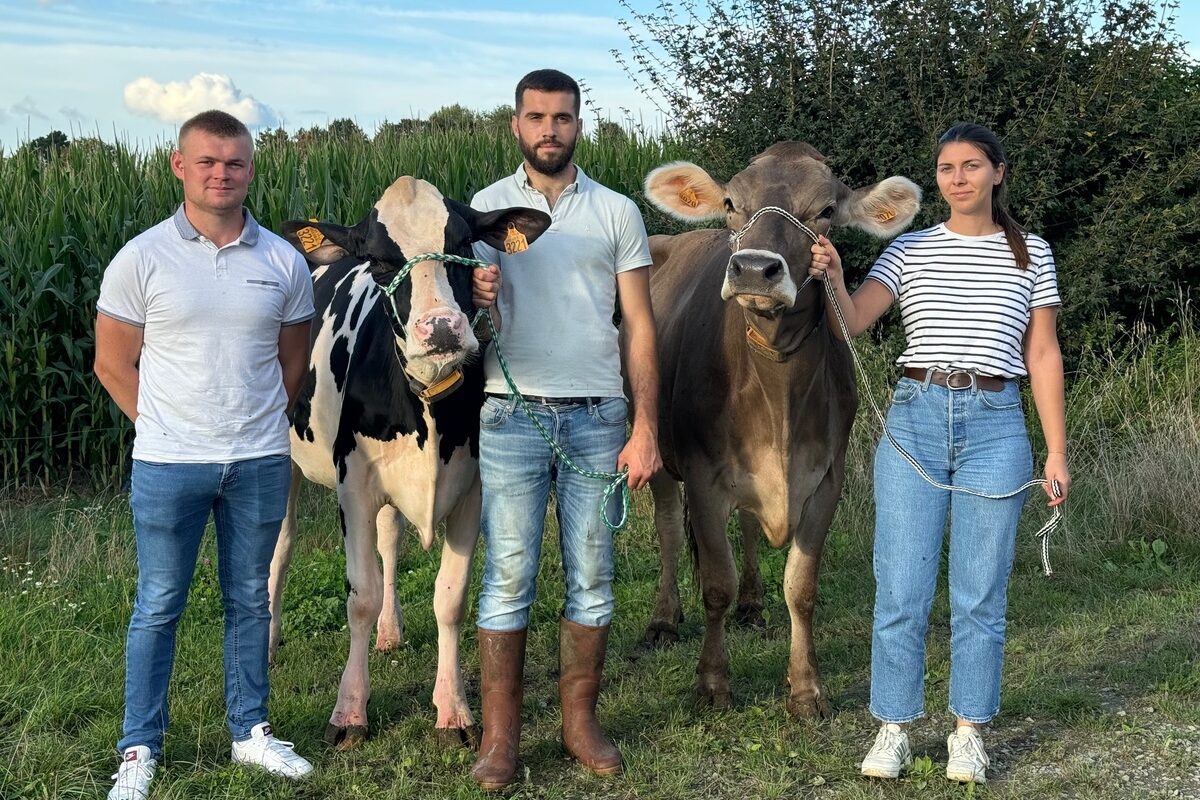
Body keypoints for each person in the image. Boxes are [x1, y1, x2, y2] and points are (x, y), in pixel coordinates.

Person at [808, 122, 1071, 785]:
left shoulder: (1032, 254)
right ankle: (893, 727)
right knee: (900, 586)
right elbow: (853, 322)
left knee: (980, 593)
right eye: (947, 168)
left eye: (972, 165)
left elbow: (1041, 355)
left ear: (998, 173)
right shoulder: (909, 250)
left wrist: (1056, 452)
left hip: (997, 423)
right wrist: (836, 274)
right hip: (916, 417)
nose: (958, 178)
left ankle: (968, 733)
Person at [94, 109, 315, 800]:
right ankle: (138, 747)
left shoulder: (283, 260)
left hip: (257, 460)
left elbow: (293, 362)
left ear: (251, 168)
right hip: (168, 463)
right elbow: (111, 362)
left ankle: (250, 732)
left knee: (250, 598)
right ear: (178, 166)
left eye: (236, 162)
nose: (222, 173)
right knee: (159, 603)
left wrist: (250, 423)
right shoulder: (142, 257)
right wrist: (165, 425)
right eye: (208, 161)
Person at [467, 68, 662, 790]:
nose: (550, 129)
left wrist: (645, 427)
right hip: (511, 413)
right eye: (536, 117)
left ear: (580, 124)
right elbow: (461, 328)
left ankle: (579, 723)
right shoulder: (484, 211)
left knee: (593, 580)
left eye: (562, 117)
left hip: (597, 417)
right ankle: (500, 740)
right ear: (515, 124)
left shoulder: (615, 212)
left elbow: (640, 325)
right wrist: (477, 291)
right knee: (508, 576)